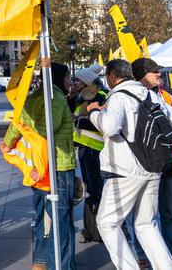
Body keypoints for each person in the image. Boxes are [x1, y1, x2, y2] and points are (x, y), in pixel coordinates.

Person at [88, 59, 172, 270]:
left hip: (125, 170)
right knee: (146, 224)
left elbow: (110, 127)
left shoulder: (118, 96)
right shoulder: (151, 94)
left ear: (112, 77)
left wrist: (94, 113)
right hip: (153, 168)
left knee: (107, 222)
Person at [2, 62, 76, 270]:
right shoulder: (56, 98)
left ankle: (41, 262)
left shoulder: (32, 96)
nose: (70, 82)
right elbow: (44, 133)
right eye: (68, 77)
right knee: (60, 224)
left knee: (43, 218)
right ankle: (60, 266)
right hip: (57, 168)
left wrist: (8, 144)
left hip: (38, 169)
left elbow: (18, 122)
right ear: (59, 78)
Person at [130, 58, 172, 269]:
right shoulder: (130, 97)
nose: (159, 75)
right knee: (142, 215)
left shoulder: (165, 96)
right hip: (142, 164)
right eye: (154, 72)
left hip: (167, 164)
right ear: (141, 75)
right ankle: (142, 255)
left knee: (168, 213)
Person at [70, 64, 107, 244]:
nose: (74, 82)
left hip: (94, 148)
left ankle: (98, 230)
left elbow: (99, 122)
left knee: (95, 190)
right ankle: (92, 229)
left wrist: (78, 120)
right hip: (86, 147)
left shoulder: (99, 96)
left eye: (77, 80)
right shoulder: (83, 97)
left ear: (86, 83)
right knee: (92, 189)